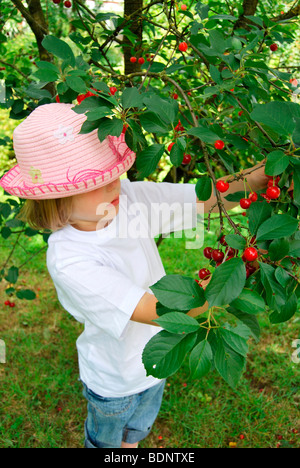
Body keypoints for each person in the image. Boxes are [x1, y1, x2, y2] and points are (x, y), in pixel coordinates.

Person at [0, 102, 269, 448]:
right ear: (56, 197)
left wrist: (263, 174)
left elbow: (206, 198)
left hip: (156, 364)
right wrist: (219, 288)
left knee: (138, 431)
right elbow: (158, 311)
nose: (114, 184)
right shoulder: (70, 260)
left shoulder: (129, 199)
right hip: (113, 384)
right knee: (106, 441)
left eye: (113, 172)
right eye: (97, 180)